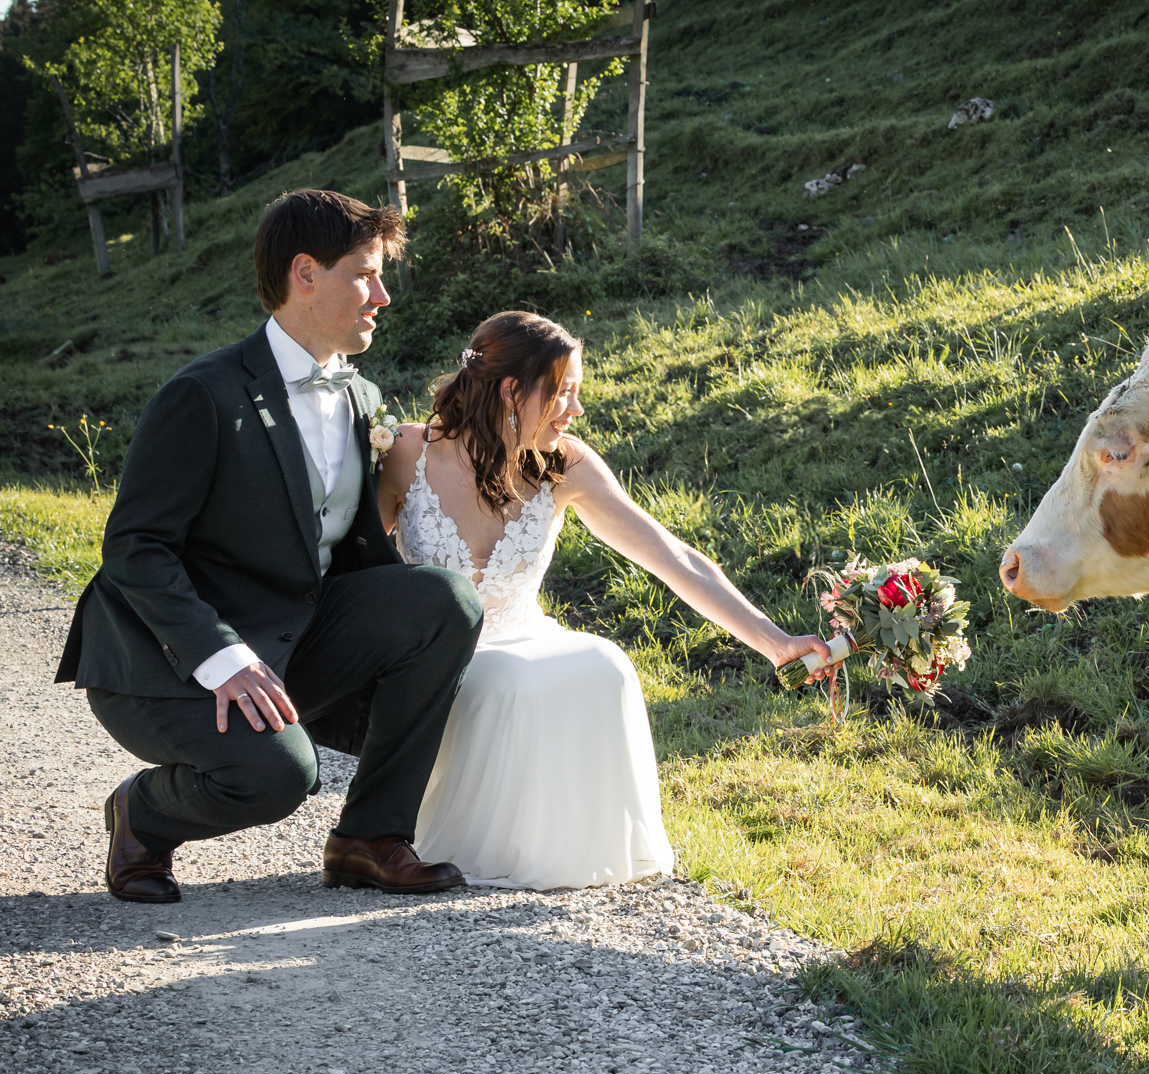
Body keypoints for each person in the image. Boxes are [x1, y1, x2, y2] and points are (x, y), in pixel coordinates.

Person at [56, 189, 483, 903]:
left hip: (293, 635)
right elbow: (135, 547)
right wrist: (223, 659)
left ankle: (370, 838)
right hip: (165, 660)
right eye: (365, 274)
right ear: (305, 274)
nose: (381, 295)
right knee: (280, 776)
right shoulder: (205, 395)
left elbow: (348, 549)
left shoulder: (359, 397)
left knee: (444, 601)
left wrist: (418, 657)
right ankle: (143, 814)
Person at [378, 310, 832, 890]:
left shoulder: (565, 464)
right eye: (563, 392)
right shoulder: (405, 454)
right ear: (512, 390)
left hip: (525, 630)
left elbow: (674, 557)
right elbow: (354, 572)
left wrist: (776, 642)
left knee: (605, 662)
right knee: (511, 682)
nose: (576, 410)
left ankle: (566, 853)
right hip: (439, 653)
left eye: (577, 393)